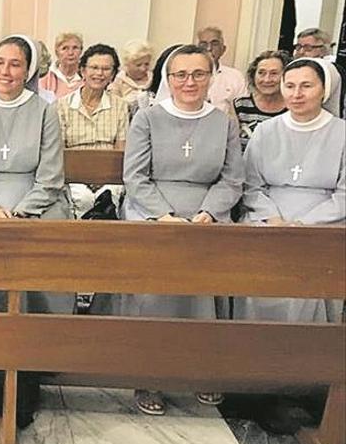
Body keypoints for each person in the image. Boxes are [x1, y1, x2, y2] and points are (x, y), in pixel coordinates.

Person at [117, 44, 244, 416]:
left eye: (198, 74)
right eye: (180, 75)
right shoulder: (148, 118)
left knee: (208, 281)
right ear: (168, 79)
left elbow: (232, 179)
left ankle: (203, 369)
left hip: (207, 214)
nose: (189, 82)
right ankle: (148, 374)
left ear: (211, 77)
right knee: (156, 288)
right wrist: (165, 215)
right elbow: (135, 178)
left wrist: (208, 212)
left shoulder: (223, 122)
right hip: (152, 213)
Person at [0, 34, 73, 315]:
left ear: (28, 70)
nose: (5, 72)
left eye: (15, 65)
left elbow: (51, 177)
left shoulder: (45, 112)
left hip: (39, 205)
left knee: (43, 259)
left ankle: (39, 338)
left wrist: (22, 211)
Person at [237, 57, 344, 323]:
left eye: (306, 86)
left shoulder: (342, 134)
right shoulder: (265, 130)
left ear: (324, 90)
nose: (297, 94)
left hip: (324, 222)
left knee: (308, 276)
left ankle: (305, 351)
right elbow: (251, 185)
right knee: (253, 271)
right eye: (290, 85)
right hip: (267, 217)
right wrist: (273, 219)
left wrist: (303, 224)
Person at [57, 44, 129, 218]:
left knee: (110, 196)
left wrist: (105, 178)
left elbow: (121, 150)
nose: (99, 73)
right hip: (73, 176)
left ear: (112, 74)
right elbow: (58, 150)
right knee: (83, 198)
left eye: (106, 69)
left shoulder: (120, 106)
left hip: (110, 177)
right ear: (82, 70)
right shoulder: (62, 105)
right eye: (94, 68)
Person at [233, 50, 289, 151]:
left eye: (274, 73)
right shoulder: (239, 105)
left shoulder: (292, 108)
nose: (267, 79)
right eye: (261, 73)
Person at [196, 26, 248, 116]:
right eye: (204, 44)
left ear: (223, 49)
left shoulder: (235, 77)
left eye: (214, 44)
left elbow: (242, 112)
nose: (209, 48)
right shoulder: (186, 75)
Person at [294, 28, 345, 116]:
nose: (301, 52)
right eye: (298, 47)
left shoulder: (331, 70)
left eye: (308, 48)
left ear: (323, 49)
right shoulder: (292, 67)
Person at [109, 39, 153, 107]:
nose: (143, 69)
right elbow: (115, 106)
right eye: (138, 65)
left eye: (146, 64)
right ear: (127, 64)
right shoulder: (118, 82)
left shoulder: (154, 79)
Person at [41, 31, 83, 98]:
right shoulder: (46, 77)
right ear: (57, 52)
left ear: (81, 51)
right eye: (65, 48)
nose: (70, 53)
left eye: (75, 48)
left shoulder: (86, 77)